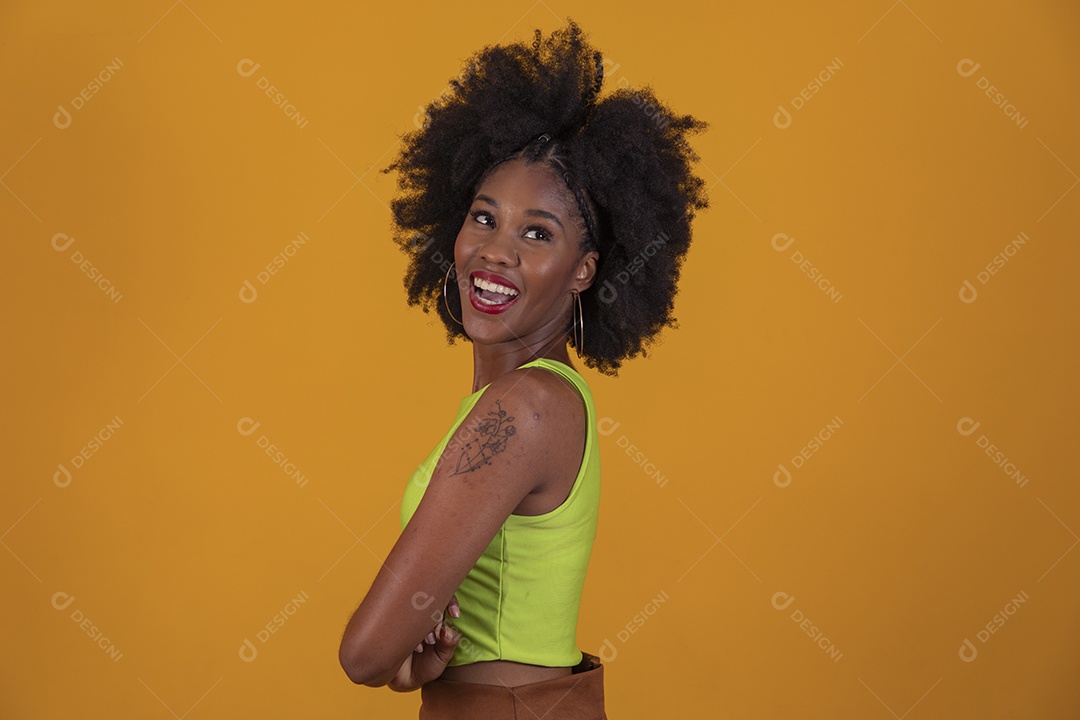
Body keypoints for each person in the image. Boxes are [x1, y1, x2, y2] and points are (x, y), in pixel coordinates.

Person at [338, 18, 708, 719]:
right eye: (484, 218)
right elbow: (392, 657)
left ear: (584, 270)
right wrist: (411, 667)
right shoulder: (538, 399)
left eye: (538, 233)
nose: (496, 250)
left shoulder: (525, 408)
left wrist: (389, 658)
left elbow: (364, 653)